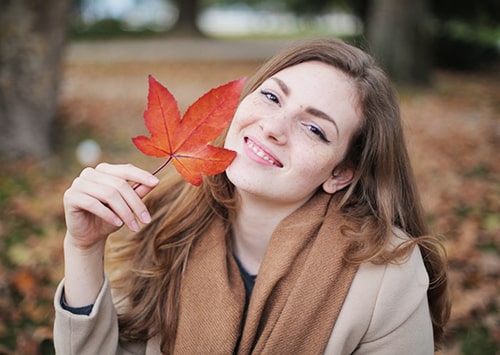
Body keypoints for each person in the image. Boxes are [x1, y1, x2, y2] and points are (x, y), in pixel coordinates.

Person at [54, 38, 450, 354]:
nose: (273, 127)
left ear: (340, 173)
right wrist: (84, 248)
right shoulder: (158, 217)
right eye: (272, 97)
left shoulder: (387, 273)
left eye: (315, 129)